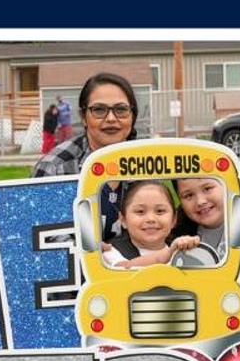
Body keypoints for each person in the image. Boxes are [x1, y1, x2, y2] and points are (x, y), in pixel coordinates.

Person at [33, 72, 141, 242]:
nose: (111, 118)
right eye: (99, 110)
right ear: (83, 117)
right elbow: (41, 237)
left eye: (121, 109)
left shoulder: (151, 164)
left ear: (132, 116)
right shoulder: (54, 166)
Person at [173, 175, 240, 341]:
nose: (200, 201)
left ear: (228, 185)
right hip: (200, 334)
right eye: (188, 195)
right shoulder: (177, 235)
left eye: (207, 188)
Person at [101, 180, 201, 269]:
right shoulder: (111, 250)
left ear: (174, 219)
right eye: (140, 211)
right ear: (123, 220)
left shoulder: (185, 253)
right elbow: (125, 267)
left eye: (160, 211)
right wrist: (170, 253)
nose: (150, 219)